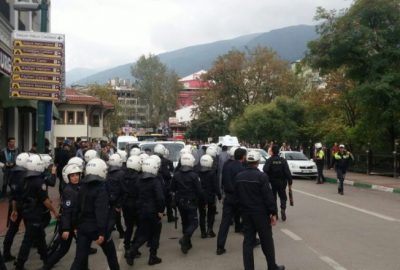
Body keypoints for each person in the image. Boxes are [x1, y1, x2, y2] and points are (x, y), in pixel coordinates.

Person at [235, 150, 284, 270]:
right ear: (257, 162)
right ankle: (272, 266)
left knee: (248, 242)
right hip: (260, 214)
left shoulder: (239, 176)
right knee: (266, 241)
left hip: (246, 214)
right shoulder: (261, 176)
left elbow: (237, 196)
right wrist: (273, 212)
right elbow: (268, 196)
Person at [70, 158, 119, 270]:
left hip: (83, 227)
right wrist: (102, 232)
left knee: (79, 260)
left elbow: (77, 207)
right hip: (97, 229)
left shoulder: (82, 186)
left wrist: (76, 225)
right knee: (111, 257)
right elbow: (101, 211)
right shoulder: (101, 188)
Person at [15, 155, 59, 270]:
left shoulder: (22, 178)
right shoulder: (39, 181)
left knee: (40, 238)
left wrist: (14, 210)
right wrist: (54, 211)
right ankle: (19, 265)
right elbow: (45, 201)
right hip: (35, 213)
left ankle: (46, 260)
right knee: (27, 241)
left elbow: (16, 196)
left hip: (26, 211)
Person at [43, 163, 83, 270]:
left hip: (75, 224)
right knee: (63, 250)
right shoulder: (69, 191)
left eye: (77, 175)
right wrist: (66, 229)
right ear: (67, 177)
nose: (75, 177)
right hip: (69, 225)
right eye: (72, 175)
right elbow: (66, 212)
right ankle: (46, 266)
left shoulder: (79, 187)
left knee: (82, 248)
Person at [126, 157, 165, 266]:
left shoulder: (139, 179)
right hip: (153, 211)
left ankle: (132, 250)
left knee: (144, 233)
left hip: (142, 210)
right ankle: (152, 257)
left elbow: (136, 193)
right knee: (155, 233)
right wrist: (161, 210)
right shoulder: (155, 181)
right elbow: (160, 198)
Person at [170, 153, 203, 254]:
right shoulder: (194, 176)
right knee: (194, 223)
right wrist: (202, 201)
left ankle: (186, 244)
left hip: (180, 202)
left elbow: (172, 189)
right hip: (191, 202)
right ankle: (184, 239)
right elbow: (199, 190)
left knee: (185, 222)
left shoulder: (176, 175)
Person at [216, 147, 247, 255]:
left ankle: (220, 246)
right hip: (239, 197)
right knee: (248, 220)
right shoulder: (242, 168)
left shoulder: (226, 165)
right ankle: (251, 240)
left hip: (228, 197)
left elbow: (222, 179)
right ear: (243, 157)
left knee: (224, 223)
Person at [2, 153, 29, 262]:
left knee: (12, 229)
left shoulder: (12, 172)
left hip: (14, 204)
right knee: (30, 229)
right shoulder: (25, 174)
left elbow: (12, 192)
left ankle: (6, 252)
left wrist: (14, 209)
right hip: (25, 204)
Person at [263, 145, 292, 221]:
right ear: (278, 151)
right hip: (282, 182)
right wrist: (290, 182)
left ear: (272, 151)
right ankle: (283, 209)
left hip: (272, 182)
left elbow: (265, 170)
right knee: (283, 197)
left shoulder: (269, 160)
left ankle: (275, 213)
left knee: (273, 198)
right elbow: (287, 172)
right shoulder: (283, 160)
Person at [121, 155, 141, 257]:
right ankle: (134, 247)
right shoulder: (138, 178)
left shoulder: (122, 175)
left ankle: (127, 246)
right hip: (135, 205)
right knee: (140, 226)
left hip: (125, 204)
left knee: (129, 227)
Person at [198, 154, 221, 238]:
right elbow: (216, 186)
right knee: (211, 214)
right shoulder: (212, 173)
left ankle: (203, 232)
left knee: (202, 214)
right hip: (210, 196)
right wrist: (219, 195)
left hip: (201, 196)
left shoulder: (197, 172)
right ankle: (209, 230)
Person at [107, 154, 126, 239]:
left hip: (109, 198)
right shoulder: (121, 173)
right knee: (114, 218)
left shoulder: (107, 172)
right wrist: (120, 204)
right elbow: (123, 189)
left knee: (114, 217)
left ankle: (121, 232)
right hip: (116, 199)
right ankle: (107, 233)